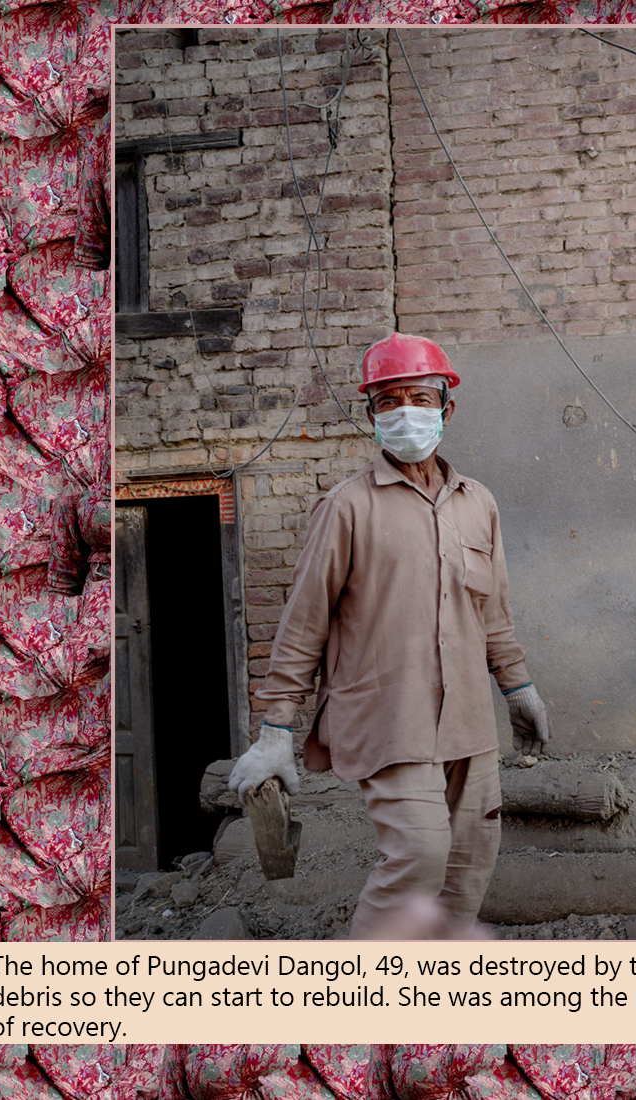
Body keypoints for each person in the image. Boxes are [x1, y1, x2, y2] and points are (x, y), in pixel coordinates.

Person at [229, 332, 552, 939]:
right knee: (420, 856)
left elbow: (493, 610)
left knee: (470, 862)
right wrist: (275, 730)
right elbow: (304, 622)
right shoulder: (346, 506)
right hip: (387, 715)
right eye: (389, 400)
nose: (407, 412)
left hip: (468, 719)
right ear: (372, 415)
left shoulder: (477, 503)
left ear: (446, 409)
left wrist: (519, 688)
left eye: (421, 398)